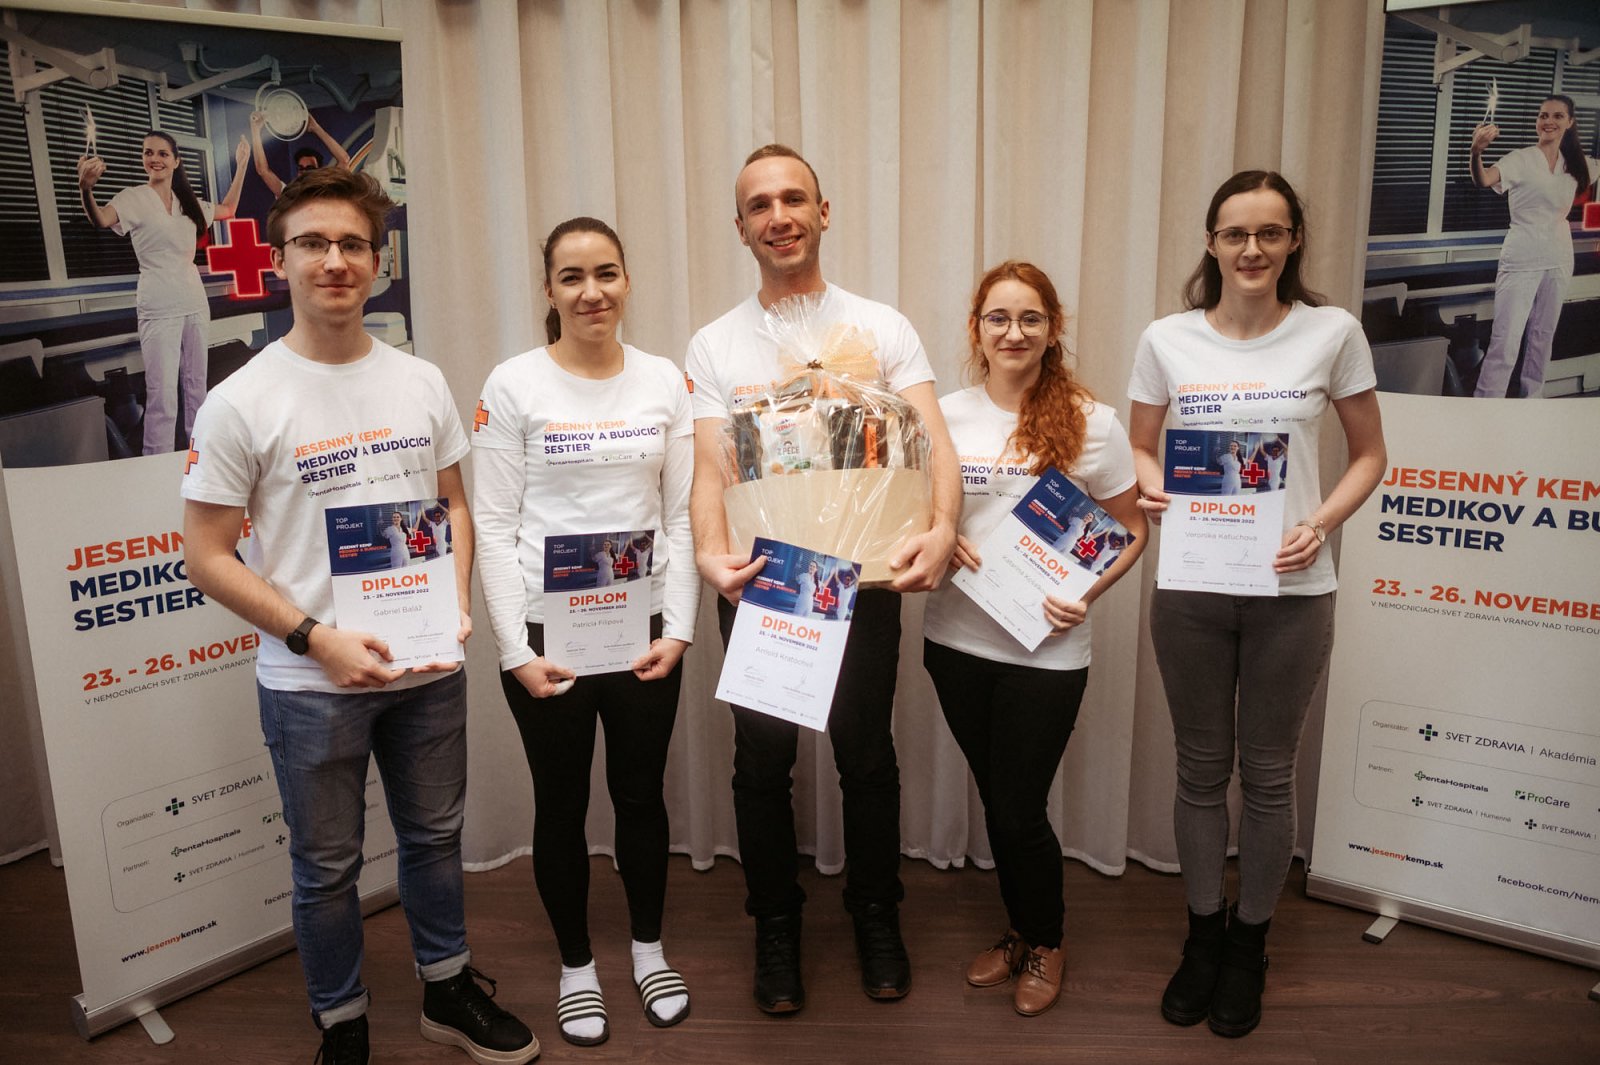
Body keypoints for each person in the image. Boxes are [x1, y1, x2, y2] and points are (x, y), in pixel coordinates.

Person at [180, 168, 537, 1065]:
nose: (334, 260)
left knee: (435, 839)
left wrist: (454, 599)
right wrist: (315, 638)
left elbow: (454, 505)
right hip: (310, 682)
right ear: (279, 260)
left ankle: (447, 988)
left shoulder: (420, 379)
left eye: (352, 244)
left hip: (426, 668)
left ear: (378, 262)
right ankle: (341, 1021)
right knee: (326, 868)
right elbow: (206, 556)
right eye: (313, 243)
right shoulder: (239, 400)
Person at [687, 144, 961, 1013]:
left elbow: (934, 442)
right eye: (760, 205)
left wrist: (943, 528)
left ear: (823, 211)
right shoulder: (716, 342)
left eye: (793, 198)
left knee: (866, 754)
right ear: (740, 228)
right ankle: (775, 923)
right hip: (764, 580)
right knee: (762, 763)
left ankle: (877, 913)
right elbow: (708, 469)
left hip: (864, 579)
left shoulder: (881, 327)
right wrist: (708, 554)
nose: (779, 216)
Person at [1128, 170, 1385, 1039]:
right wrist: (1155, 488)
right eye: (1235, 233)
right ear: (1211, 242)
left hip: (1291, 591)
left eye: (1270, 233)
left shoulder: (1331, 332)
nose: (1251, 249)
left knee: (1269, 775)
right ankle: (1203, 934)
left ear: (1293, 241)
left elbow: (1369, 455)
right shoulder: (1166, 339)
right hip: (1193, 587)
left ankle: (1250, 943)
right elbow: (1141, 446)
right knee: (1200, 769)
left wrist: (1319, 523)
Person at [473, 216, 698, 1046]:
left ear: (627, 279)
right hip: (547, 637)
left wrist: (679, 630)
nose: (591, 291)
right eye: (572, 276)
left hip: (643, 631)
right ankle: (576, 965)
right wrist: (514, 652)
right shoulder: (513, 384)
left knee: (640, 795)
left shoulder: (664, 380)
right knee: (561, 804)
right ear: (549, 289)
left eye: (606, 272)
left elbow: (681, 515)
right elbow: (493, 526)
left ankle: (648, 950)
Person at [922, 261, 1146, 1017]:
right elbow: (914, 509)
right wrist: (939, 533)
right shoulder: (944, 415)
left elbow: (1131, 529)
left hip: (1043, 654)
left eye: (1030, 319)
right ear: (976, 329)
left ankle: (1047, 941)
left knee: (1018, 809)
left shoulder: (1093, 421)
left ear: (1053, 331)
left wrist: (1086, 592)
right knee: (999, 802)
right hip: (954, 642)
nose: (1013, 332)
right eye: (998, 318)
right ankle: (1020, 930)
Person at [78, 130, 250, 456]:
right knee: (162, 393)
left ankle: (200, 455)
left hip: (193, 302)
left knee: (196, 385)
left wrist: (241, 165)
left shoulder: (188, 204)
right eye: (148, 152)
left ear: (176, 161)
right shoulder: (133, 198)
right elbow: (100, 219)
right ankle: (157, 461)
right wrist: (85, 188)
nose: (154, 159)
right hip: (158, 305)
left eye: (162, 153)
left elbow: (228, 209)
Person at [1469, 94, 1600, 398]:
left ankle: (1533, 400)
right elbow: (1483, 179)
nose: (1548, 121)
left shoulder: (1576, 164)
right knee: (1506, 339)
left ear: (1570, 122)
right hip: (1522, 256)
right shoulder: (1521, 159)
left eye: (1557, 116)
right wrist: (1476, 152)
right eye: (1543, 115)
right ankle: (1486, 405)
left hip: (1559, 256)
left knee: (1543, 336)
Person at [250, 109, 353, 198]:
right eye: (301, 168)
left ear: (319, 171)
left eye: (309, 168)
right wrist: (255, 130)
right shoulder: (290, 196)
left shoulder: (327, 193)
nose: (304, 172)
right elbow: (263, 170)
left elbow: (344, 160)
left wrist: (315, 128)